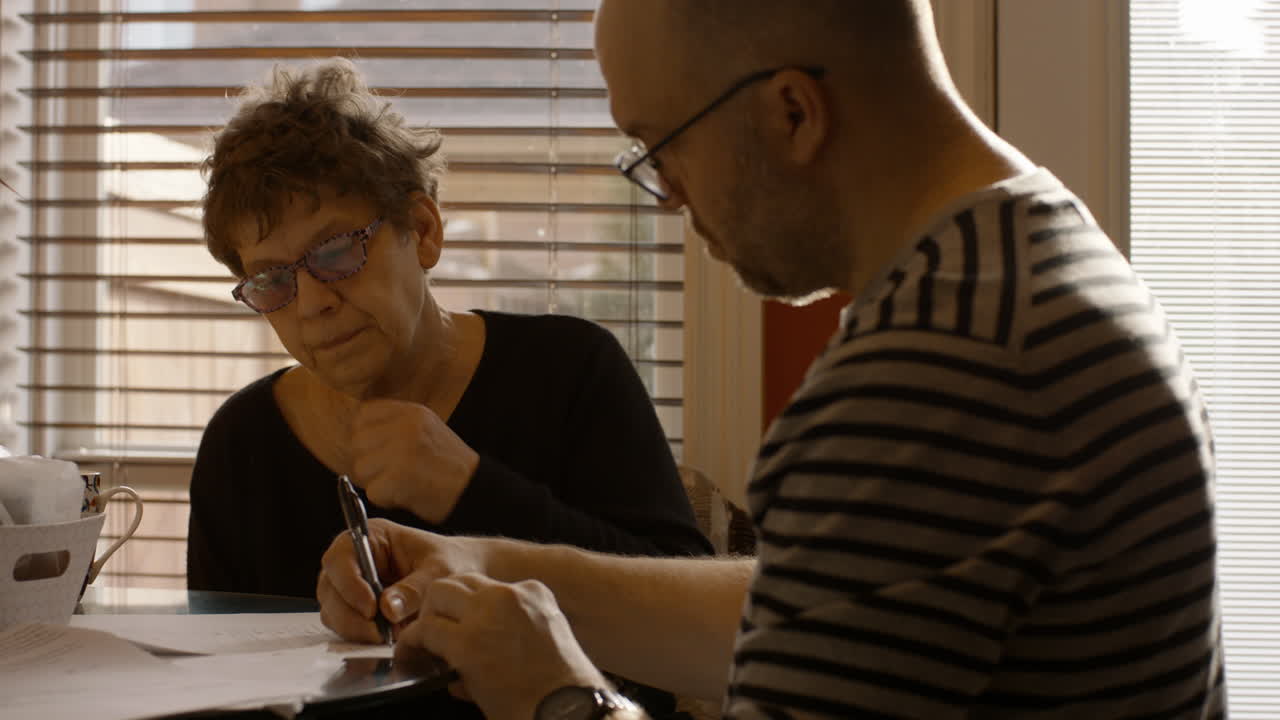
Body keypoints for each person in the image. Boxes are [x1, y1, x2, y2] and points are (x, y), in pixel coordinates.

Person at [317, 2, 1227, 718]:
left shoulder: (931, 365)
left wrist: (556, 695)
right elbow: (830, 605)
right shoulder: (1031, 254)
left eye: (663, 148)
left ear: (792, 110)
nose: (666, 197)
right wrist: (491, 564)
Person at [187, 57, 711, 717]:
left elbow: (687, 618)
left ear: (424, 231)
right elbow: (215, 693)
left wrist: (473, 486)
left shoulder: (572, 368)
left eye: (335, 251)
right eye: (271, 281)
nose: (312, 303)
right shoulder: (242, 442)